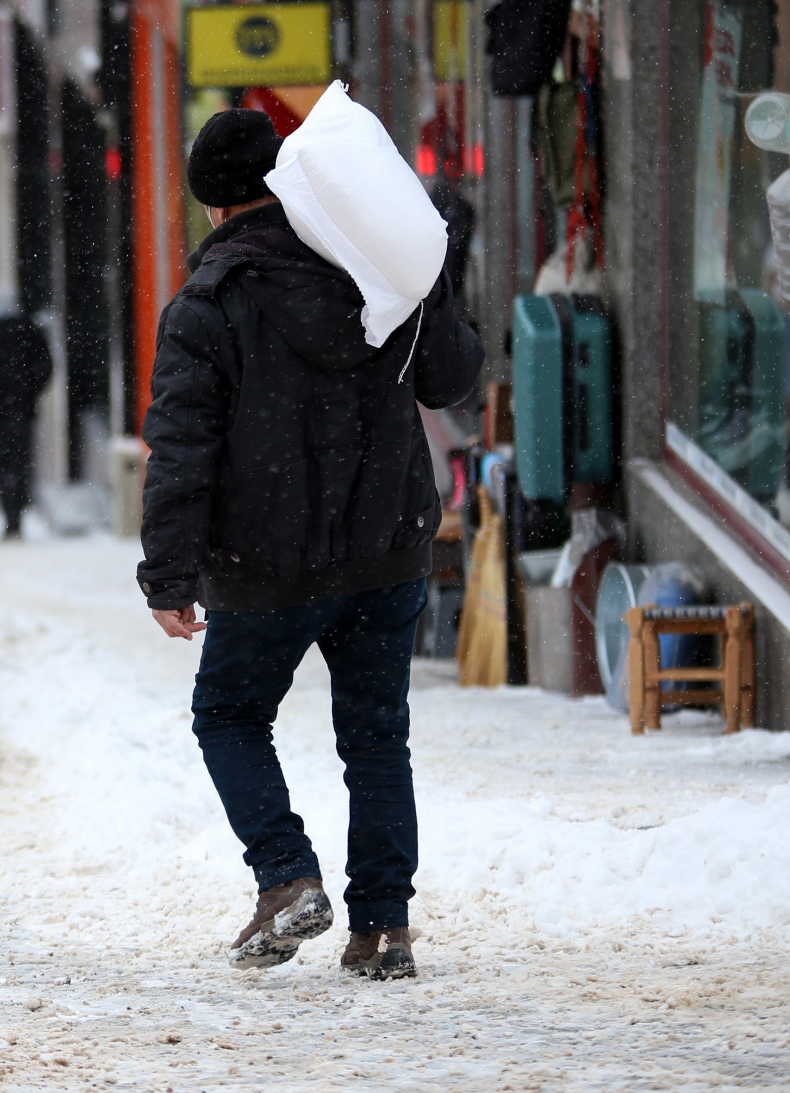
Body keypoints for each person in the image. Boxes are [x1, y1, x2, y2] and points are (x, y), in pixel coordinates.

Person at [137, 110, 483, 980]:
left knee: (228, 714)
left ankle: (286, 875)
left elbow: (183, 449)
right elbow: (452, 376)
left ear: (213, 208)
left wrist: (169, 573)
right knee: (376, 737)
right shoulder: (371, 264)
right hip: (386, 547)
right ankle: (384, 927)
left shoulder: (206, 307)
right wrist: (432, 282)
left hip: (267, 562)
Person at [0, 285, 52, 539]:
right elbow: (45, 366)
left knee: (2, 462)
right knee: (21, 461)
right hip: (22, 408)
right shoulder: (29, 331)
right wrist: (29, 390)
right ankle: (17, 515)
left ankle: (9, 514)